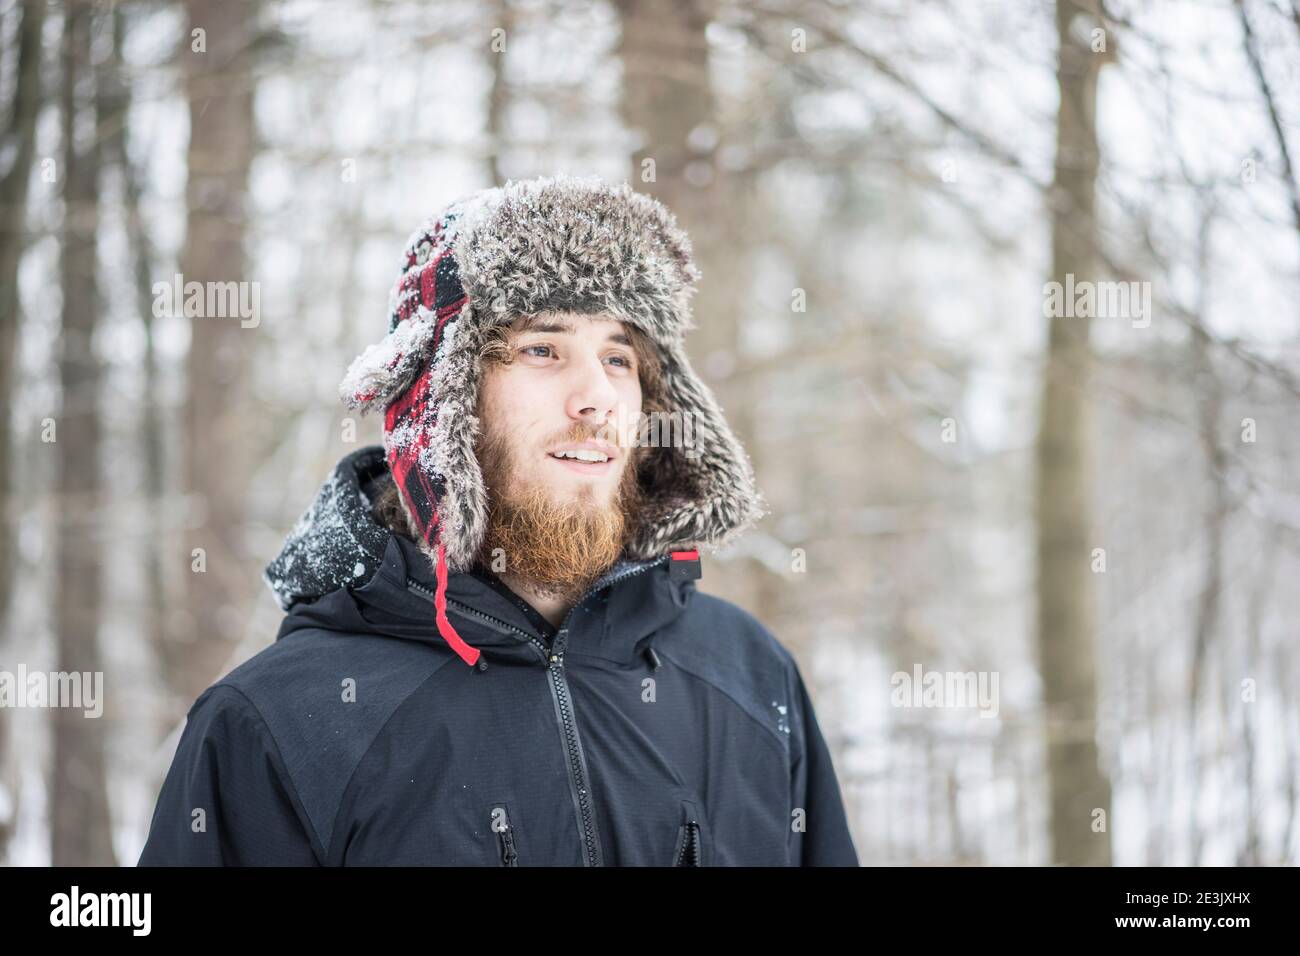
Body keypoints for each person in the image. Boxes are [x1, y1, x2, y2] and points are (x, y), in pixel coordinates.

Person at [137, 173, 859, 866]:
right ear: (440, 400)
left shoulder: (748, 674)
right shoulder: (275, 722)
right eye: (542, 349)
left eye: (619, 357)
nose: (596, 398)